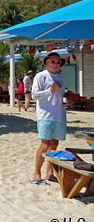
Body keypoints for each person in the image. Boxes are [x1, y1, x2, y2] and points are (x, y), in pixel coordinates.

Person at [31, 52, 67, 184]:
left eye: (58, 62)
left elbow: (63, 95)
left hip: (60, 115)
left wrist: (68, 101)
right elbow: (34, 95)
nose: (55, 64)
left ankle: (49, 173)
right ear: (46, 63)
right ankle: (36, 172)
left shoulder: (62, 78)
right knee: (45, 144)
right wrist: (50, 90)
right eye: (53, 61)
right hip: (45, 115)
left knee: (54, 144)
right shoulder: (41, 76)